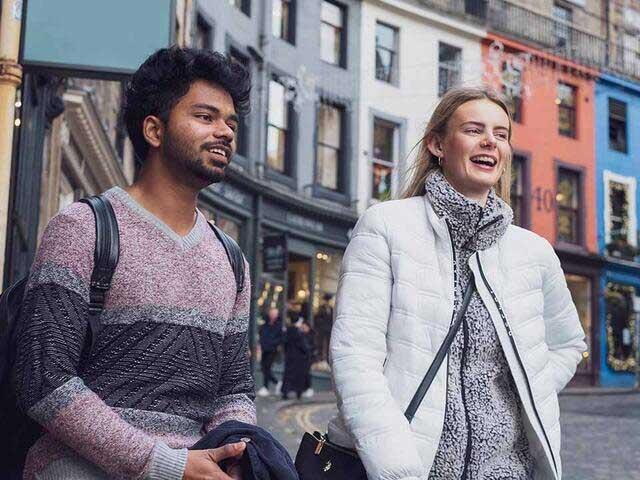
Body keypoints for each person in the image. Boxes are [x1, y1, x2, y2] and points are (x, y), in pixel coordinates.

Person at [11, 47, 255, 480]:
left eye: (230, 122)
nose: (225, 132)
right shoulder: (83, 228)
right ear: (154, 130)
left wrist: (233, 453)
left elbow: (233, 391)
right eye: (205, 117)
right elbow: (43, 378)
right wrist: (164, 465)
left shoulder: (231, 260)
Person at [327, 87, 586, 480]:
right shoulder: (385, 227)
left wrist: (523, 389)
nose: (490, 142)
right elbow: (354, 356)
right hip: (411, 468)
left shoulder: (534, 252)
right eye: (474, 130)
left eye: (501, 134)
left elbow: (568, 344)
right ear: (437, 144)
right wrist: (397, 468)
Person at [281, 317, 314, 400]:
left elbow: (284, 343)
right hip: (299, 359)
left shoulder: (287, 331)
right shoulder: (298, 333)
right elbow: (303, 346)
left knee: (288, 376)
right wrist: (307, 353)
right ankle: (298, 393)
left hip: (289, 357)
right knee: (299, 377)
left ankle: (285, 392)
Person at [257, 307, 284, 397]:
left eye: (274, 314)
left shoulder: (279, 326)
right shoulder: (265, 324)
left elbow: (281, 338)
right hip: (264, 348)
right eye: (271, 313)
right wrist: (261, 343)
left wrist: (273, 344)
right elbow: (261, 334)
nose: (272, 315)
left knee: (267, 367)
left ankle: (266, 387)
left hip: (272, 350)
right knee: (264, 367)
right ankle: (276, 383)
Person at [314, 293, 334, 364]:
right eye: (327, 300)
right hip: (322, 329)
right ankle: (320, 358)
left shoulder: (331, 309)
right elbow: (317, 318)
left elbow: (332, 319)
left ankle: (327, 359)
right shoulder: (321, 308)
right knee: (321, 343)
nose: (328, 302)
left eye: (329, 300)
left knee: (328, 344)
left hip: (329, 329)